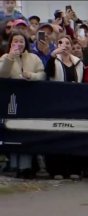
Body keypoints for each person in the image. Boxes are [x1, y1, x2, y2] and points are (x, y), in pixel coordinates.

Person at [0, 31, 46, 179]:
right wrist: (10, 58)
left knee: (26, 130)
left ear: (26, 43)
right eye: (15, 41)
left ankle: (25, 166)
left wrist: (31, 76)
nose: (18, 44)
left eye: (21, 41)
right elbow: (3, 74)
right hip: (11, 100)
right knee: (13, 130)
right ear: (11, 43)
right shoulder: (5, 57)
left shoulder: (33, 57)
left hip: (29, 100)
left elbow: (42, 74)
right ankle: (13, 164)